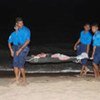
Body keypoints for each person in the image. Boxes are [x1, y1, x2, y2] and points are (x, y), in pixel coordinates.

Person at [8, 17, 31, 84]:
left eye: (22, 23)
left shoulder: (26, 30)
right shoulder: (14, 33)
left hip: (23, 47)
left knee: (21, 65)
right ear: (16, 24)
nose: (21, 24)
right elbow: (9, 42)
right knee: (15, 64)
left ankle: (24, 80)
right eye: (19, 23)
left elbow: (28, 41)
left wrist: (20, 50)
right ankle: (17, 78)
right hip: (15, 47)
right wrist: (11, 51)